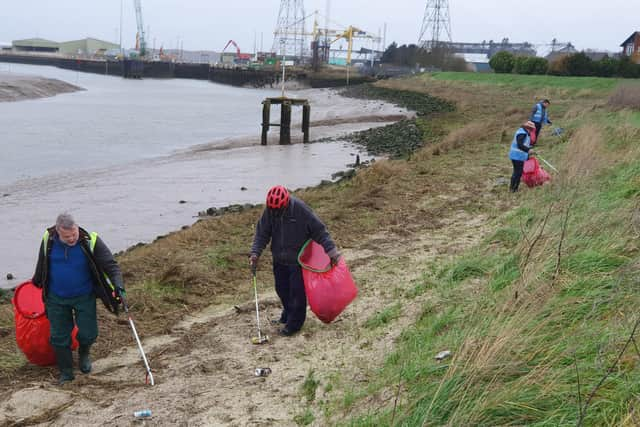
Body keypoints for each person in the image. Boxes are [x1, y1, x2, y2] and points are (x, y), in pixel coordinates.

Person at [32, 213, 124, 384]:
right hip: (56, 298)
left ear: (76, 227)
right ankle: (66, 372)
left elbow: (111, 265)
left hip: (84, 295)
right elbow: (42, 262)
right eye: (67, 237)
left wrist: (118, 286)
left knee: (90, 333)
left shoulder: (90, 240)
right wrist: (36, 281)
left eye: (74, 233)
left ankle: (84, 354)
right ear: (58, 231)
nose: (72, 238)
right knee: (59, 337)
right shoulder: (48, 239)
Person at [250, 186, 340, 337]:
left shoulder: (301, 210)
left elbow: (320, 232)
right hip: (279, 258)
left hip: (299, 260)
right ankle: (288, 312)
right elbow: (262, 234)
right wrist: (255, 254)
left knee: (297, 293)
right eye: (273, 210)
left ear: (286, 203)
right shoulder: (270, 212)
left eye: (278, 210)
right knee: (282, 289)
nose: (276, 213)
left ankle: (294, 324)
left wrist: (332, 253)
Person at [509, 121, 536, 192]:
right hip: (517, 156)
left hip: (517, 156)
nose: (532, 131)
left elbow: (525, 144)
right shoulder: (522, 134)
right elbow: (520, 145)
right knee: (518, 173)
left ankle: (512, 188)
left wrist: (529, 151)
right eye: (532, 129)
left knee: (516, 172)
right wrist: (528, 150)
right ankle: (514, 189)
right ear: (528, 128)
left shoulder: (524, 132)